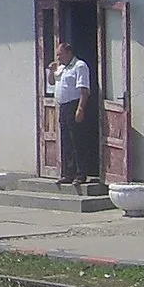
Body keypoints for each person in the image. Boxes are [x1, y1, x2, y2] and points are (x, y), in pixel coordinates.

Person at [48, 40, 93, 184]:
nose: (58, 57)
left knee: (77, 141)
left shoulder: (79, 66)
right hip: (63, 106)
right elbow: (51, 82)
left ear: (69, 53)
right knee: (66, 141)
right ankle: (68, 173)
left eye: (60, 54)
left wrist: (80, 109)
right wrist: (51, 71)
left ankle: (81, 174)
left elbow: (84, 90)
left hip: (74, 105)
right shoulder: (61, 68)